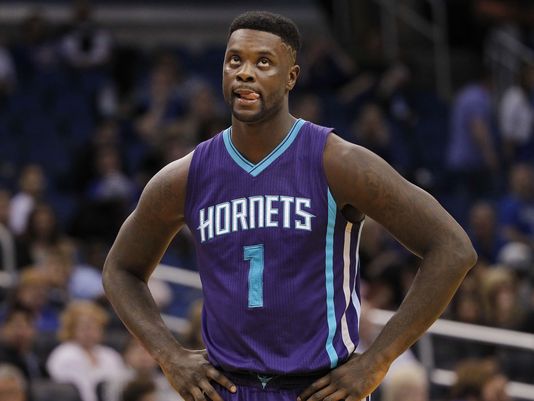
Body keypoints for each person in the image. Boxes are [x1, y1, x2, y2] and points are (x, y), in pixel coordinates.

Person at [103, 11, 477, 401]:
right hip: (228, 389)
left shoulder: (339, 163)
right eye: (235, 60)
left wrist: (377, 360)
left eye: (263, 62)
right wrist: (169, 356)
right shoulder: (185, 176)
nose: (245, 73)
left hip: (318, 389)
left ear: (291, 77)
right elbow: (120, 270)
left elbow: (452, 249)